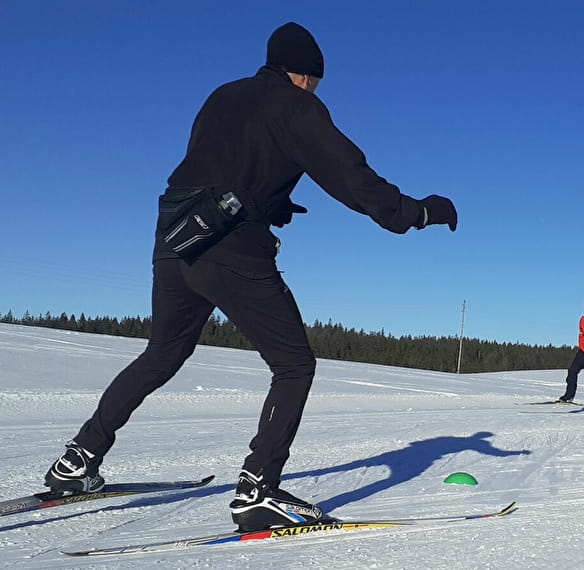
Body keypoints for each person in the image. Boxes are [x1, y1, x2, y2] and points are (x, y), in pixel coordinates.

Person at [43, 22, 458, 532]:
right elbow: (349, 174)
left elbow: (220, 164)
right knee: (294, 364)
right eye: (317, 81)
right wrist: (414, 213)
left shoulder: (223, 95)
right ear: (306, 74)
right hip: (230, 249)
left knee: (163, 352)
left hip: (174, 241)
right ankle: (258, 489)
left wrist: (273, 201)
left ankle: (78, 459)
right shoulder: (296, 105)